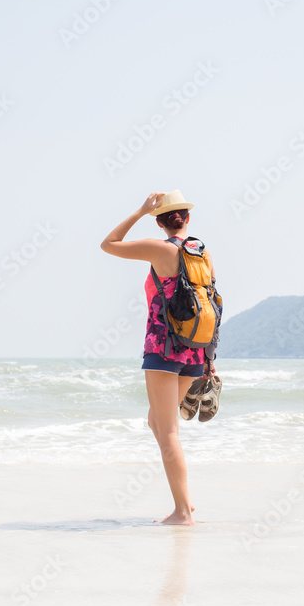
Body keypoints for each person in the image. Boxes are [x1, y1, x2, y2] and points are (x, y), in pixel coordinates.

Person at [100, 190, 218, 525]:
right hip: (196, 347)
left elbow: (108, 244)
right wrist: (209, 358)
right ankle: (185, 503)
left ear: (160, 220)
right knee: (157, 421)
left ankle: (182, 512)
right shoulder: (202, 252)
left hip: (165, 346)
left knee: (168, 432)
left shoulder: (159, 248)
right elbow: (213, 303)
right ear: (187, 219)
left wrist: (138, 211)